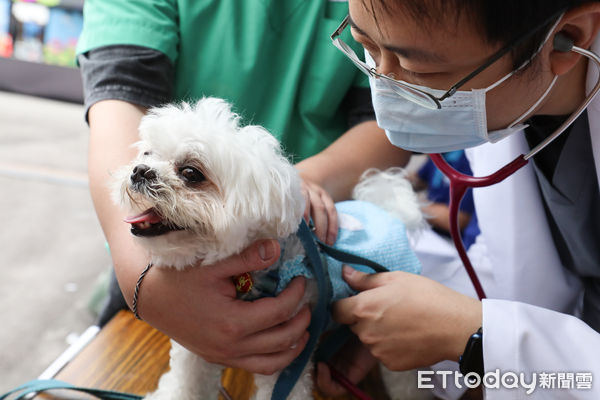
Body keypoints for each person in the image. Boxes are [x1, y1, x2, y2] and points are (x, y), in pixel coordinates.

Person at [76, 0, 410, 377]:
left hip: (317, 263)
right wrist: (145, 283)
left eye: (191, 173)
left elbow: (395, 118)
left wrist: (303, 183)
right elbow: (118, 97)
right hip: (155, 269)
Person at [308, 0, 600, 398]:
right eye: (366, 46)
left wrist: (473, 338)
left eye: (420, 70)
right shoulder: (510, 106)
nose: (384, 82)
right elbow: (516, 275)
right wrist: (416, 335)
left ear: (568, 39)